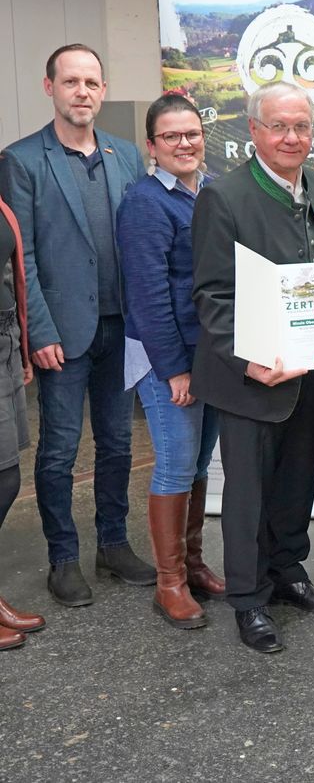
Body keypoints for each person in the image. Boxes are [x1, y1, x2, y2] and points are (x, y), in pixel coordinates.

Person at [191, 82, 314, 653]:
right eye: (279, 126)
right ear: (254, 130)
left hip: (307, 366)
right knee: (249, 493)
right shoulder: (224, 197)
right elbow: (211, 294)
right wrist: (249, 361)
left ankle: (288, 572)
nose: (292, 137)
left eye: (301, 126)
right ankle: (249, 600)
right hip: (250, 377)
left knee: (297, 479)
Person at [0, 43, 154, 607]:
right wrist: (39, 332)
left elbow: (140, 239)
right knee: (60, 452)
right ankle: (62, 558)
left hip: (121, 330)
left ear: (103, 90)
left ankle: (113, 544)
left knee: (117, 445)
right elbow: (23, 257)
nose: (82, 92)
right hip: (61, 335)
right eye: (71, 82)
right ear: (50, 88)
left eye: (92, 82)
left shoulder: (125, 155)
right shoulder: (20, 160)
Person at [116, 94, 225, 630]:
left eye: (192, 133)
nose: (185, 143)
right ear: (151, 146)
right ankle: (170, 583)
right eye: (172, 136)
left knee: (200, 466)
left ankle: (195, 563)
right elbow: (148, 295)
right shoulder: (144, 202)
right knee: (177, 464)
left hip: (208, 355)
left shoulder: (206, 191)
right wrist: (174, 369)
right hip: (169, 361)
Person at [0, 194, 43, 650]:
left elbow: (14, 275)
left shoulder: (2, 205)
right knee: (3, 479)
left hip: (5, 342)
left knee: (8, 471)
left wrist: (23, 344)